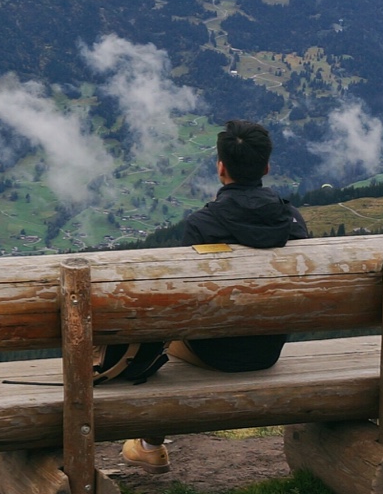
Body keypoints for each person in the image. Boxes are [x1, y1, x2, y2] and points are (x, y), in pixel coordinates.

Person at [119, 119, 310, 474]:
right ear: (266, 167)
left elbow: (183, 301)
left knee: (157, 350)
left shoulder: (202, 225)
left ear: (221, 168)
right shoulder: (291, 221)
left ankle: (149, 446)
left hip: (214, 352)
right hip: (269, 349)